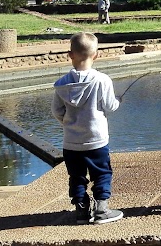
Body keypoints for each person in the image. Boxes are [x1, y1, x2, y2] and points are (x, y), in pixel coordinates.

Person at [52, 32, 123, 224]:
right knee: (102, 173)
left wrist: (68, 123)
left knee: (76, 176)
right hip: (96, 140)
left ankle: (81, 210)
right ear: (96, 55)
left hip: (71, 143)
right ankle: (101, 209)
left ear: (70, 54)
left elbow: (56, 111)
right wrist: (118, 101)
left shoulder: (61, 85)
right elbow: (110, 106)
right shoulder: (102, 80)